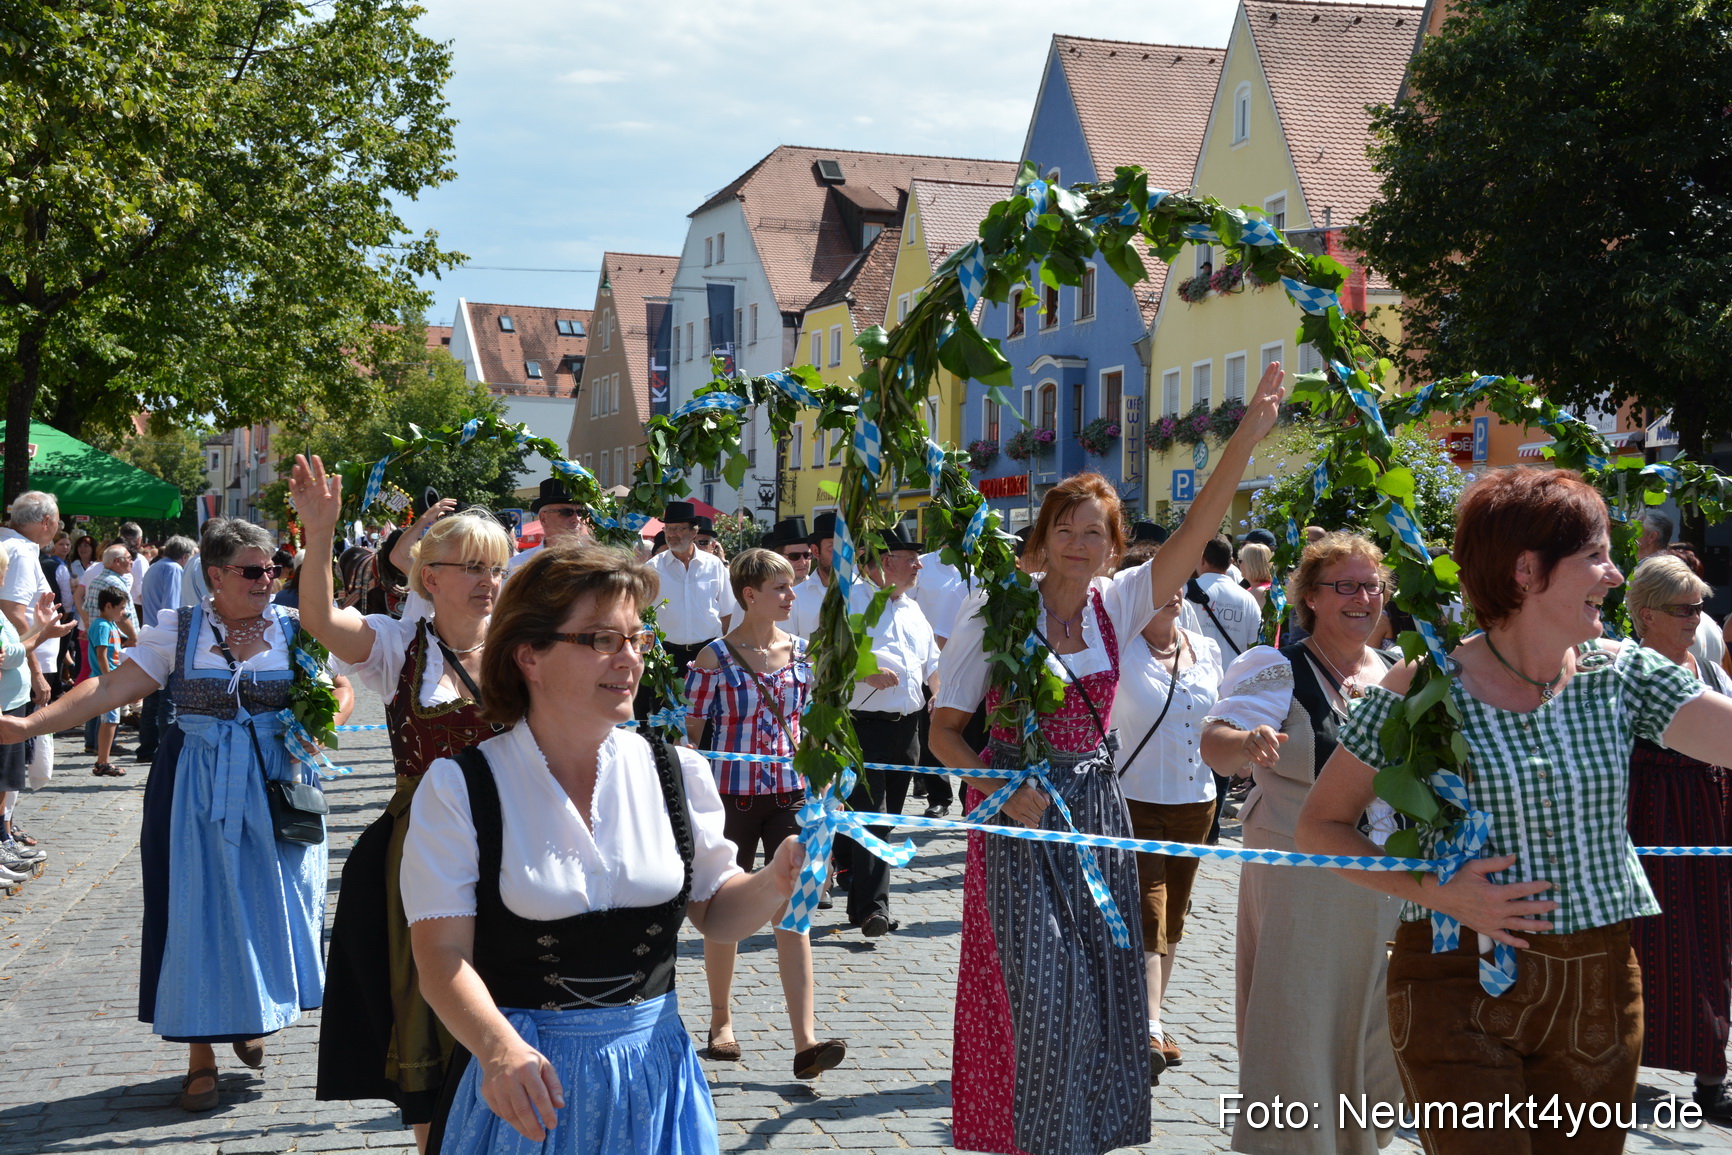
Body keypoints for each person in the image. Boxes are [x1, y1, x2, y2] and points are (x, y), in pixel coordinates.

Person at [1296, 466, 1732, 1154]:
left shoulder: (1619, 674)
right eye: (1595, 554)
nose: (1615, 575)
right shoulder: (1425, 685)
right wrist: (1437, 889)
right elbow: (1319, 826)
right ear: (1527, 570)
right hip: (1454, 979)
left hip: (1596, 982)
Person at [928, 360, 1286, 1155]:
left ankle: (1077, 1139)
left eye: (1098, 531)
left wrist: (1246, 438)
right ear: (1043, 536)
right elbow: (944, 731)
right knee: (1046, 1003)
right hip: (1019, 826)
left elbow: (1196, 531)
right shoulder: (997, 613)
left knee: (1102, 1000)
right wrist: (991, 782)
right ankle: (1031, 1137)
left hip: (1097, 815)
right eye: (1067, 527)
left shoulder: (1118, 603)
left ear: (1116, 546)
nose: (1081, 543)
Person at [403, 542, 805, 1152]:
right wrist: (497, 1048)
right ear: (529, 655)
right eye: (600, 640)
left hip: (656, 1080)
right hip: (530, 1091)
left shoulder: (677, 772)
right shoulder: (461, 787)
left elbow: (719, 913)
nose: (629, 660)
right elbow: (441, 958)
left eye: (636, 639)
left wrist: (776, 881)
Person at [0, 517, 331, 1112]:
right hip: (195, 790)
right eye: (253, 571)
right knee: (194, 912)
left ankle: (250, 1013)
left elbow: (334, 689)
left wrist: (317, 719)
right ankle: (199, 1056)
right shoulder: (179, 631)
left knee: (268, 906)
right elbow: (108, 689)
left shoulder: (293, 627)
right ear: (214, 575)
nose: (267, 579)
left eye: (273, 569)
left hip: (276, 789)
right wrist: (26, 726)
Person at [288, 456, 513, 1147]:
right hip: (425, 843)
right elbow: (320, 618)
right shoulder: (396, 646)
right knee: (427, 998)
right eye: (472, 567)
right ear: (430, 577)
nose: (487, 582)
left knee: (512, 989)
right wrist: (320, 534)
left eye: (496, 568)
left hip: (512, 836)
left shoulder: (523, 652)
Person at [1200, 533, 1403, 1155]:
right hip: (1298, 872)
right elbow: (1213, 738)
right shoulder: (1278, 666)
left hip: (1378, 877)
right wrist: (1247, 744)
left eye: (1372, 586)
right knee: (1299, 1011)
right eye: (1345, 586)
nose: (1362, 598)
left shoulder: (1394, 670)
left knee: (1374, 1017)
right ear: (1310, 596)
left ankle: (1360, 1142)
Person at [684, 548, 845, 1078]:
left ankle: (806, 1041)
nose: (792, 595)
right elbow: (690, 737)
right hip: (730, 800)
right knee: (722, 912)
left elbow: (811, 730)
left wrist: (825, 788)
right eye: (781, 587)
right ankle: (721, 1019)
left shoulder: (800, 654)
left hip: (789, 798)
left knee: (793, 910)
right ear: (750, 595)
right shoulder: (714, 658)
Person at [1621, 555, 1732, 1120]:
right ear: (1645, 615)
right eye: (1683, 609)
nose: (1696, 618)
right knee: (1649, 945)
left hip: (1707, 820)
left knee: (1712, 941)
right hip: (1648, 818)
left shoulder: (1707, 668)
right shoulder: (1623, 672)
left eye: (1699, 606)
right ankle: (1620, 1062)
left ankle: (1712, 1079)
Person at [1112, 542, 1224, 1072]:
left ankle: (1150, 1015)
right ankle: (1149, 1028)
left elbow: (1218, 717)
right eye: (1163, 584)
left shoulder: (1206, 649)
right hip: (1134, 800)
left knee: (1172, 917)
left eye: (1180, 582)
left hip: (1196, 802)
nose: (1175, 593)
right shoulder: (1119, 650)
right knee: (1147, 911)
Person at [839, 527, 939, 936]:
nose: (918, 564)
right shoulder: (850, 602)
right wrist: (866, 673)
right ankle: (873, 909)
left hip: (908, 729)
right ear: (881, 561)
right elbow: (827, 657)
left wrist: (941, 697)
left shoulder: (912, 609)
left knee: (887, 819)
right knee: (873, 819)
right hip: (863, 726)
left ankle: (857, 893)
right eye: (909, 557)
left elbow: (932, 663)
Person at [0, 545, 72, 876]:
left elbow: (13, 647)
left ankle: (2, 842)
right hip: (5, 706)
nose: (4, 580)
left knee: (6, 780)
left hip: (10, 703)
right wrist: (41, 634)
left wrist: (38, 630)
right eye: (2, 573)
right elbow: (11, 654)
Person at [639, 501, 735, 719]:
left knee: (709, 717)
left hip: (708, 653)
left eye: (679, 529)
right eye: (668, 529)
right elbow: (640, 617)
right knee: (667, 720)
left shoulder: (714, 565)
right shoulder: (652, 569)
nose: (672, 535)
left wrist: (728, 654)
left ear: (694, 532)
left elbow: (727, 613)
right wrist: (646, 660)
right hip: (667, 657)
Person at [134, 536, 193, 764]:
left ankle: (146, 748)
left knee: (152, 699)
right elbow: (171, 608)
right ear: (185, 556)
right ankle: (165, 751)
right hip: (166, 640)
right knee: (166, 700)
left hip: (149, 636)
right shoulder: (174, 569)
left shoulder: (155, 566)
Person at [86, 588, 131, 777]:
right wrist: (108, 678)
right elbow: (101, 654)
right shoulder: (103, 625)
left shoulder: (111, 624)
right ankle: (102, 762)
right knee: (110, 721)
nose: (123, 612)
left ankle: (103, 759)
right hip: (106, 681)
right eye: (120, 608)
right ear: (108, 606)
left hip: (111, 678)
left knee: (111, 720)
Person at [506, 478, 587, 578]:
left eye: (580, 513)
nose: (576, 519)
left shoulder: (593, 561)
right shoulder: (519, 565)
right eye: (566, 512)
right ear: (543, 519)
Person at [788, 512, 835, 640]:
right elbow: (786, 648)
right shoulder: (794, 598)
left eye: (845, 547)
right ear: (815, 551)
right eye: (832, 546)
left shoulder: (865, 593)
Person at [1238, 542, 1274, 612]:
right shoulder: (1271, 587)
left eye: (1240, 561)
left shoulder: (1257, 592)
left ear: (1250, 565)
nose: (1239, 564)